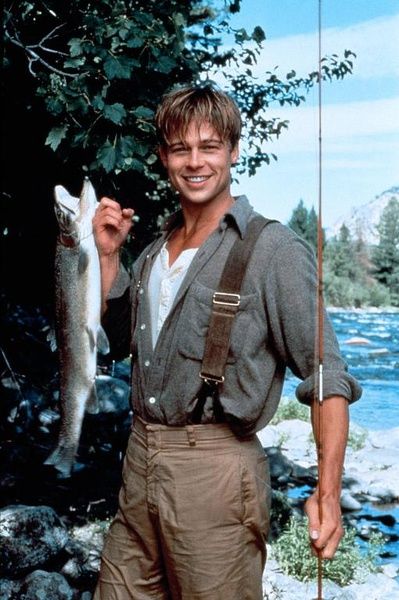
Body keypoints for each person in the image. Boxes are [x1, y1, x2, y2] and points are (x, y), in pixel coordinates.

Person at [92, 84, 361, 600]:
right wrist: (109, 260)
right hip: (139, 462)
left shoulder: (273, 247)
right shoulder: (152, 251)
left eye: (209, 146)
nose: (195, 162)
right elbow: (123, 342)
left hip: (217, 474)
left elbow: (327, 373)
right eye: (181, 149)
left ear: (233, 151)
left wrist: (327, 493)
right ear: (164, 157)